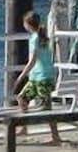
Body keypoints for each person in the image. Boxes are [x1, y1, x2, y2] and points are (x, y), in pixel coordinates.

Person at [12, 11, 61, 144]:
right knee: (22, 97)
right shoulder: (43, 36)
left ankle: (55, 136)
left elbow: (32, 61)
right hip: (38, 77)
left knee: (47, 108)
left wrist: (21, 76)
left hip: (42, 78)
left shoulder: (35, 38)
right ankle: (24, 127)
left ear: (28, 24)